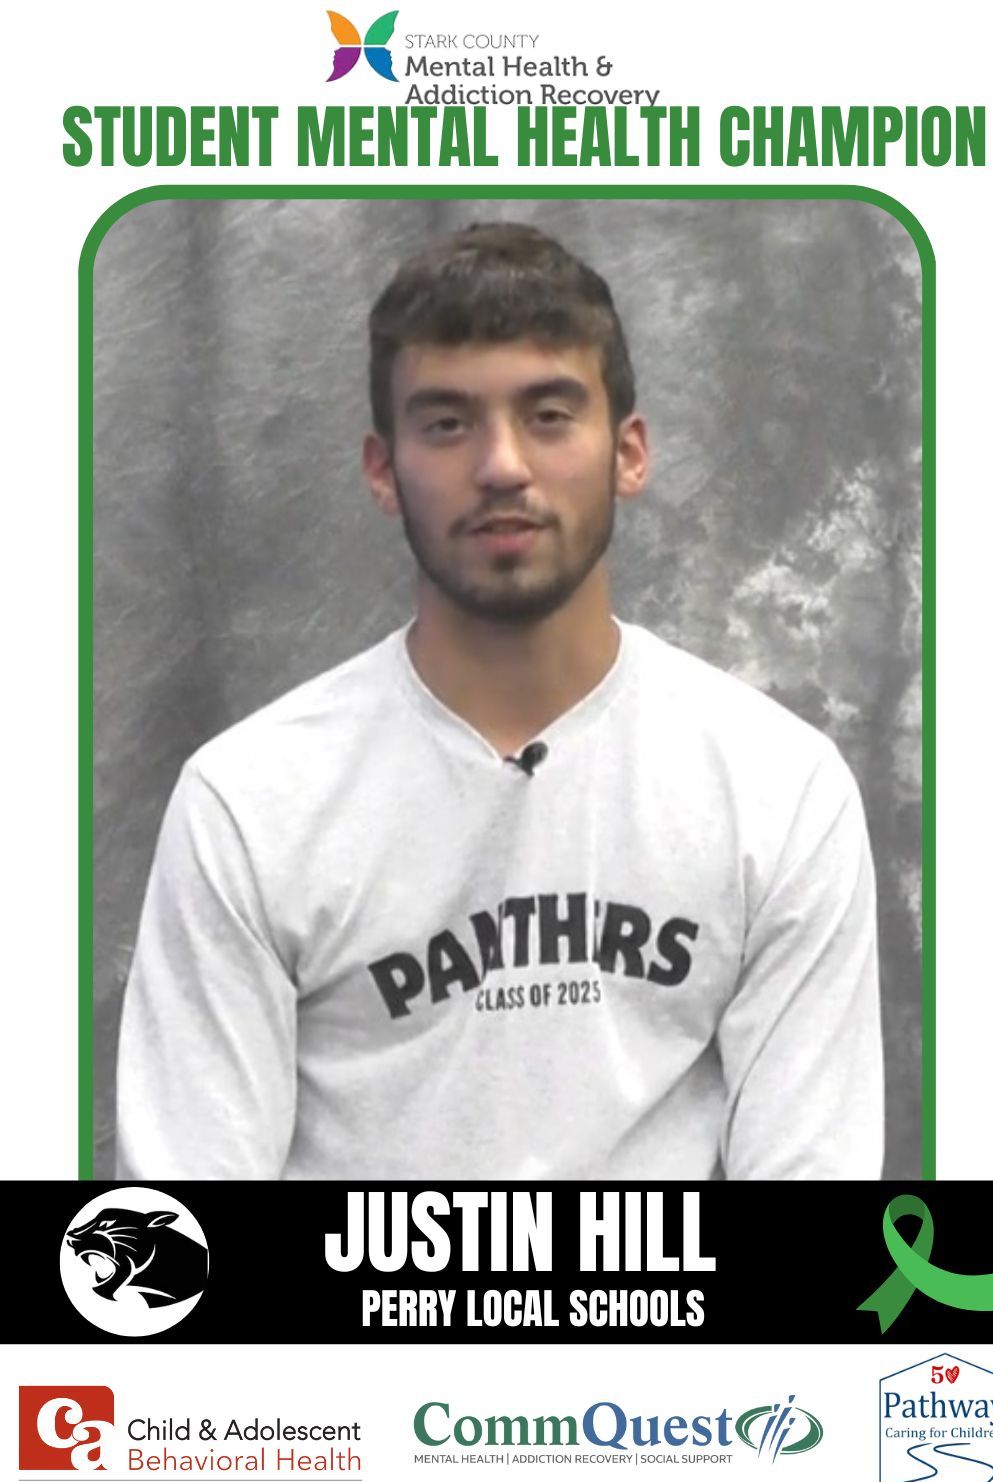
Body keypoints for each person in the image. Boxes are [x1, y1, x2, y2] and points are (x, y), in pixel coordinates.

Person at [116, 221, 883, 1181]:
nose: (502, 466)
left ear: (629, 452)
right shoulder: (248, 803)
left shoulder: (780, 790)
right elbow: (181, 1247)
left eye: (550, 414)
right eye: (446, 423)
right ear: (384, 470)